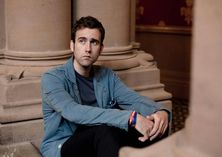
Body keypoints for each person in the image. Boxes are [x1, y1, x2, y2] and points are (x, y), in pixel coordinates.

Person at [40, 16, 171, 157]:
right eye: (82, 41)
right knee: (104, 131)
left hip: (100, 139)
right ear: (72, 45)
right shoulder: (52, 78)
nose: (88, 49)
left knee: (157, 127)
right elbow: (73, 112)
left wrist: (161, 112)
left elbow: (133, 99)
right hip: (65, 144)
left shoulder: (106, 75)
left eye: (94, 42)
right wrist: (130, 118)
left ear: (101, 48)